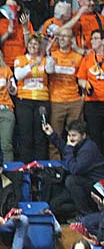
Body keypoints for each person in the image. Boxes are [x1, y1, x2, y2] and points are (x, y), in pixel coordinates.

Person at [43, 120, 104, 216]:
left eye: (74, 135)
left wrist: (69, 148)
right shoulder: (78, 144)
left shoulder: (88, 149)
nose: (71, 138)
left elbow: (75, 169)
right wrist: (52, 135)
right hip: (81, 188)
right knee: (55, 205)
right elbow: (66, 149)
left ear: (83, 135)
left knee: (71, 180)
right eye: (69, 135)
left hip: (96, 188)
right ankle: (83, 212)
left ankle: (85, 215)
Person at [45, 27, 83, 159]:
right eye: (60, 36)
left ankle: (76, 163)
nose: (61, 38)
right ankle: (56, 166)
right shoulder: (52, 55)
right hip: (56, 101)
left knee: (76, 137)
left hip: (74, 101)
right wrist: (48, 54)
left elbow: (82, 78)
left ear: (72, 39)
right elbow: (47, 71)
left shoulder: (78, 57)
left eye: (65, 36)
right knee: (54, 136)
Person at [14, 34, 50, 162]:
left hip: (41, 100)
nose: (32, 46)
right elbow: (18, 75)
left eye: (35, 44)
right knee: (26, 135)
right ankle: (26, 167)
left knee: (41, 135)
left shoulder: (44, 60)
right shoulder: (20, 59)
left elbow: (50, 70)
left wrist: (48, 54)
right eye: (30, 43)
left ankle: (41, 167)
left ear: (40, 46)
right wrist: (33, 63)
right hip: (24, 100)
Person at [77, 29, 104, 152]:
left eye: (95, 38)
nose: (92, 41)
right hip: (92, 102)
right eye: (91, 38)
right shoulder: (87, 59)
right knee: (95, 135)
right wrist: (85, 84)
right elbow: (80, 78)